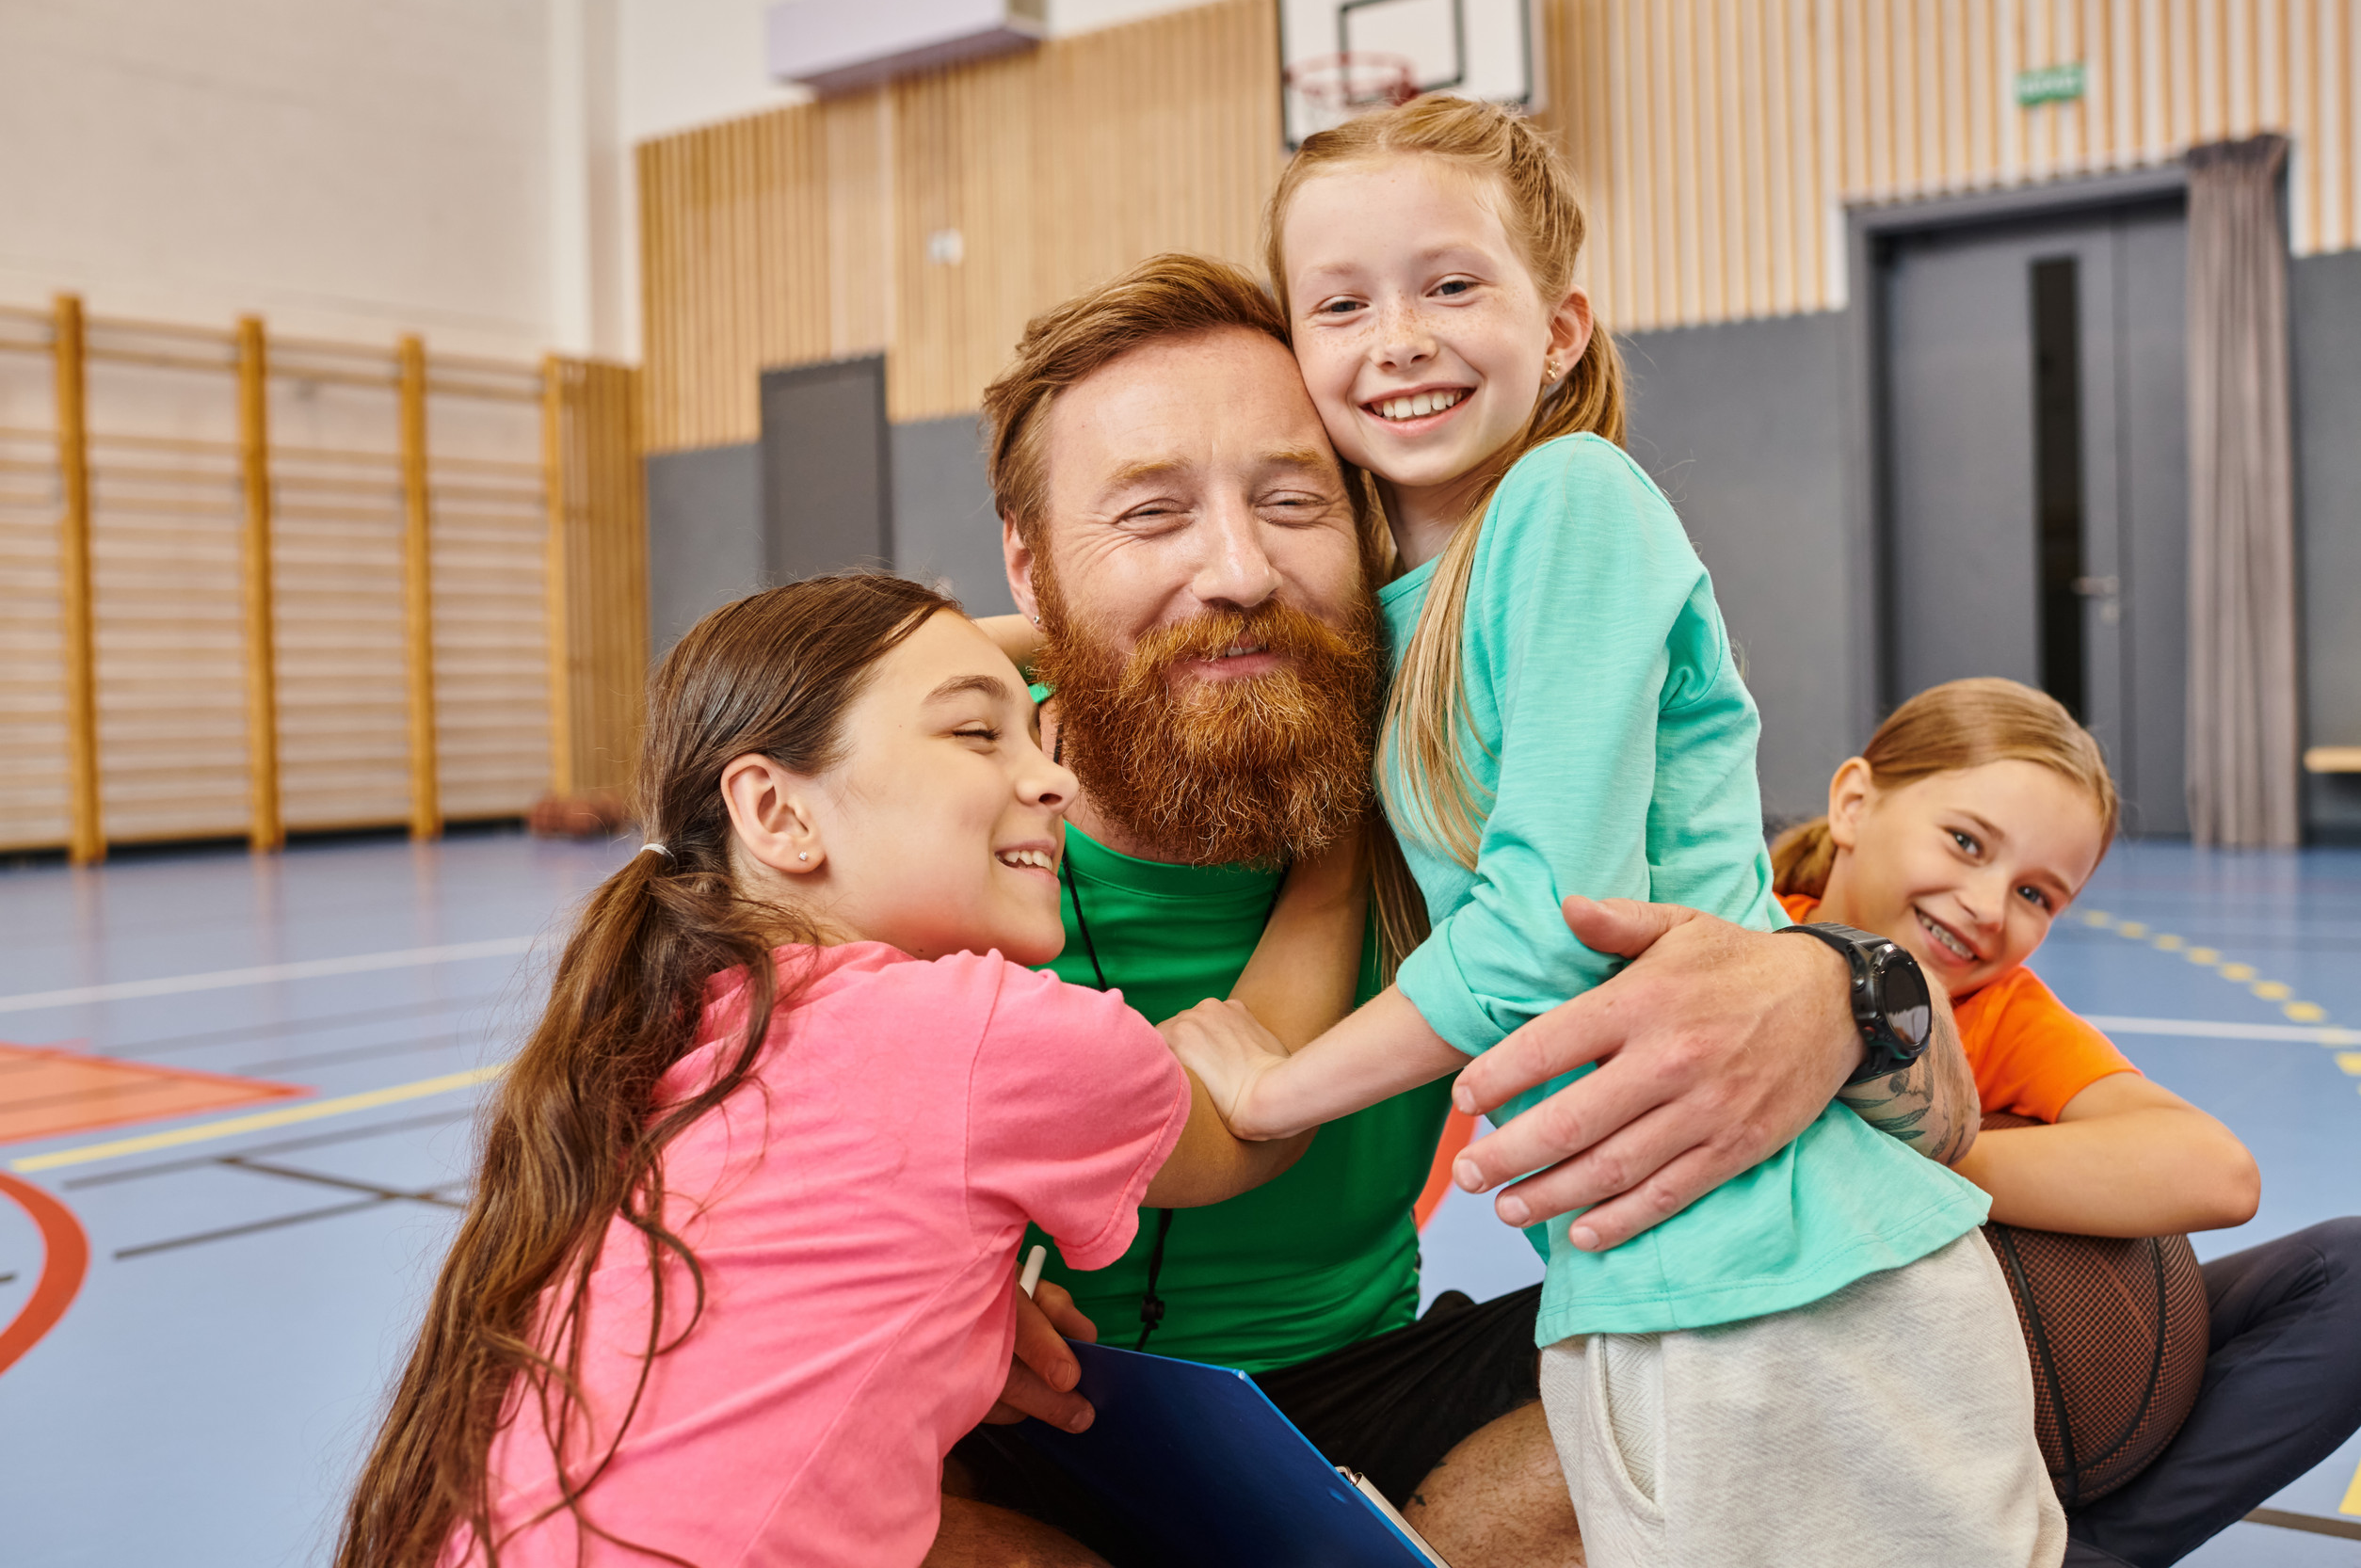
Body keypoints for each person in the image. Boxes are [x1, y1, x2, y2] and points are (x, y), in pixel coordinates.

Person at [943, 247, 1984, 1565]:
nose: (1240, 572)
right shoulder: (919, 832)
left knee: (1983, 1303)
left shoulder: (1459, 797)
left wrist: (1842, 995)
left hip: (1368, 1400)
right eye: (1151, 516)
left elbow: (1942, 1125)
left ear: (1373, 531)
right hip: (1002, 1422)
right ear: (1030, 570)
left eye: (1294, 500)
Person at [1173, 97, 2062, 1567]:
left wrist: (1277, 1097)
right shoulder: (1406, 600)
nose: (1397, 337)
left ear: (1564, 325)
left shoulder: (1570, 504)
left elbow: (1546, 927)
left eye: (1452, 284)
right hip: (1638, 1265)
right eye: (1343, 304)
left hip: (1781, 1261)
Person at [331, 575, 1327, 1568]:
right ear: (775, 810)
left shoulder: (665, 1024)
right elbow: (1256, 1122)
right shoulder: (975, 1035)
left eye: (1032, 733)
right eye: (979, 735)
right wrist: (1347, 804)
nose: (1055, 779)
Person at [1772, 676, 2361, 1568]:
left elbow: (2216, 1173)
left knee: (2351, 1272)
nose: (1986, 906)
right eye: (1966, 843)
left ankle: (2081, 1555)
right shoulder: (1752, 947)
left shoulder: (1996, 1008)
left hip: (1991, 1370)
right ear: (1855, 803)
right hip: (1812, 1383)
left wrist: (1929, 1153)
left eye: (2037, 895)